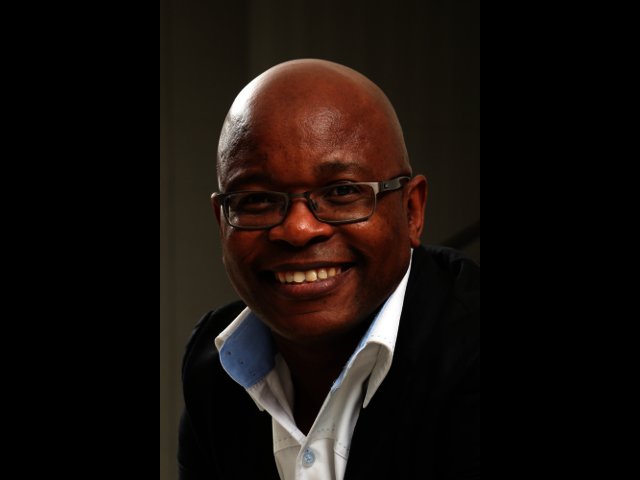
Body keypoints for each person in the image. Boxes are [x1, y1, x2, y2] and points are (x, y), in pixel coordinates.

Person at [178, 58, 479, 480]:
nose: (298, 230)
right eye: (257, 199)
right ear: (222, 221)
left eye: (341, 191)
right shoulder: (213, 369)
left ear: (411, 211)